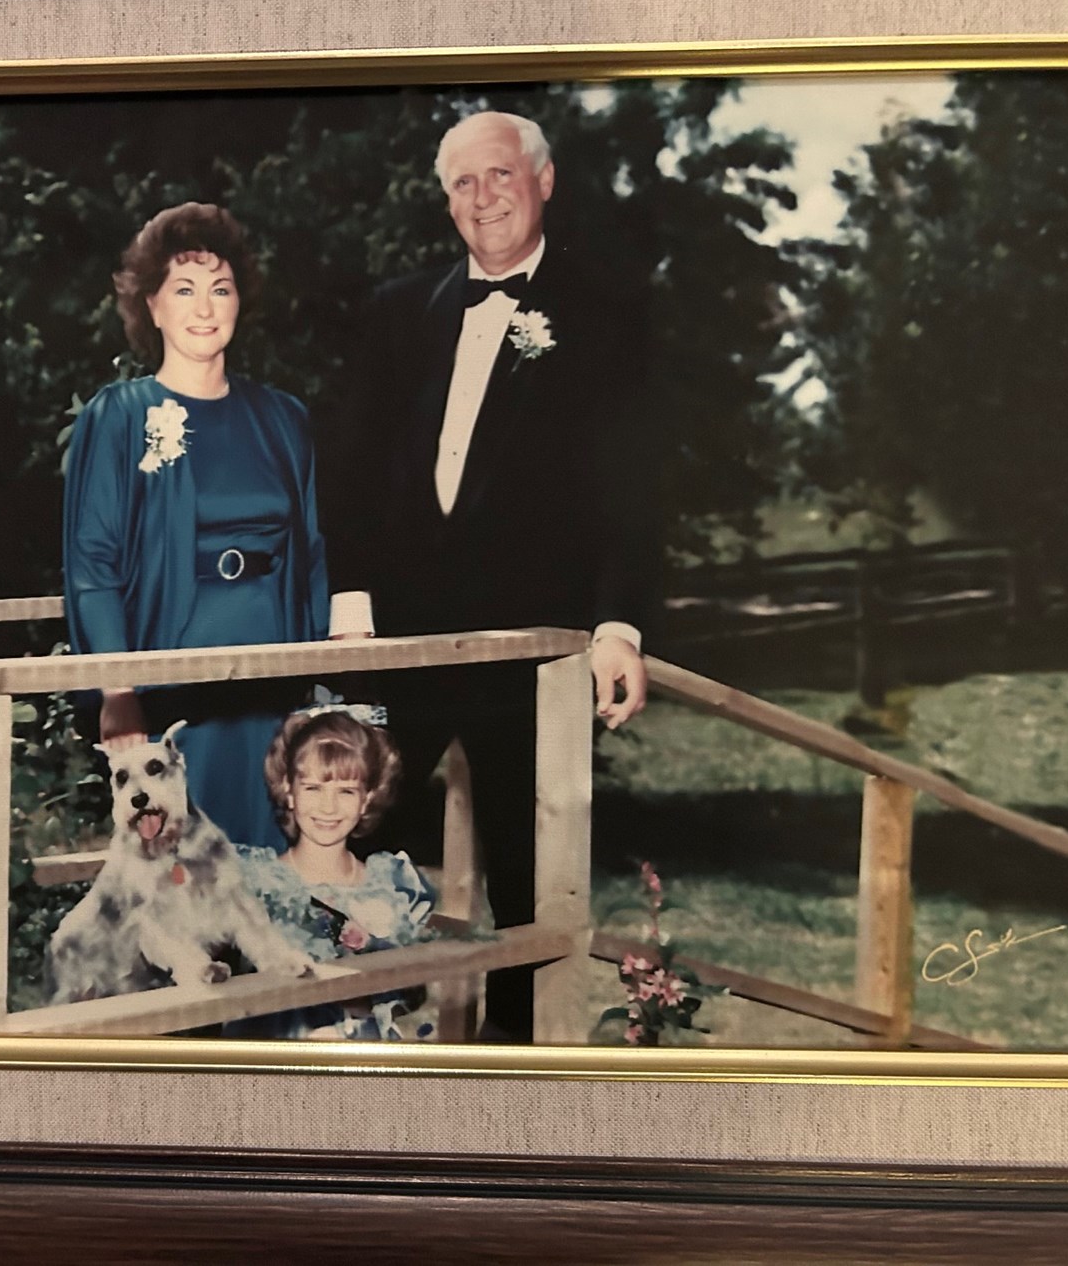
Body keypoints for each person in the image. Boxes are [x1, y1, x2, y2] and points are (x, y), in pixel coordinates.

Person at [326, 110, 662, 1041]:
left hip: (532, 657)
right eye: (463, 183)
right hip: (399, 647)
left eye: (501, 176)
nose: (483, 198)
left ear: (544, 181)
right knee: (344, 837)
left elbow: (635, 490)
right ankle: (343, 1041)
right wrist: (351, 605)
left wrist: (618, 627)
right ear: (445, 200)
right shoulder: (400, 310)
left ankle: (514, 1072)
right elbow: (352, 471)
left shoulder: (608, 316)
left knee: (527, 886)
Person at [63, 202, 329, 849]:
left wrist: (327, 676)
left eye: (221, 288)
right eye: (184, 289)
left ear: (241, 302)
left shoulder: (283, 417)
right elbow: (93, 564)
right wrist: (118, 690)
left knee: (275, 855)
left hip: (273, 666)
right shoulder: (118, 416)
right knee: (181, 864)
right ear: (151, 305)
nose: (205, 307)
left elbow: (313, 554)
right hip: (173, 670)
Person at [225, 704, 437, 1041]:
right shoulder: (255, 880)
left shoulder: (392, 884)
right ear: (288, 790)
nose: (328, 807)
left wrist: (366, 997)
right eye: (313, 788)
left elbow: (412, 992)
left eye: (346, 791)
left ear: (367, 798)